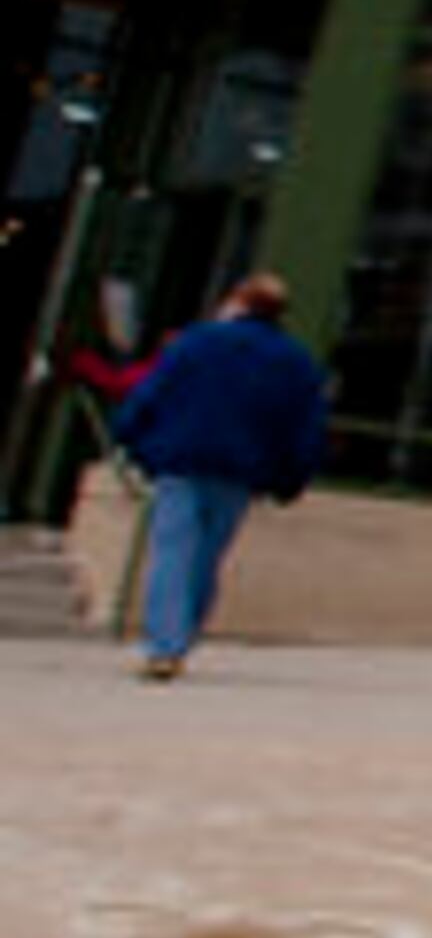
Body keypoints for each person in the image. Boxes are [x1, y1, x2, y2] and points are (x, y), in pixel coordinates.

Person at [113, 272, 332, 681]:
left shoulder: (196, 342)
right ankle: (181, 637)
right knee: (207, 556)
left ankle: (165, 643)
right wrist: (291, 477)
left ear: (237, 302)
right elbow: (305, 427)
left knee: (172, 550)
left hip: (182, 458)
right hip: (241, 471)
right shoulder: (295, 362)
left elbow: (152, 393)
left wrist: (128, 435)